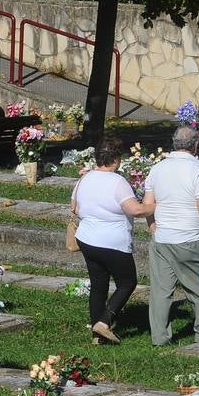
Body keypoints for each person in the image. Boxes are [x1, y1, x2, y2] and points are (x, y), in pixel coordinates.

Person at [141, 125, 199, 346]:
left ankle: (160, 338)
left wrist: (153, 226)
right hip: (188, 237)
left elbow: (148, 203)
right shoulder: (197, 170)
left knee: (161, 291)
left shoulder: (157, 168)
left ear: (174, 143)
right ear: (196, 145)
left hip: (162, 238)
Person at [71, 136, 152, 344]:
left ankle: (97, 336)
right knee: (127, 282)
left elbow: (75, 208)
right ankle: (105, 322)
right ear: (115, 159)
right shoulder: (118, 182)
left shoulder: (84, 179)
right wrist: (155, 206)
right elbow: (135, 210)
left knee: (99, 285)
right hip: (112, 242)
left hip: (87, 239)